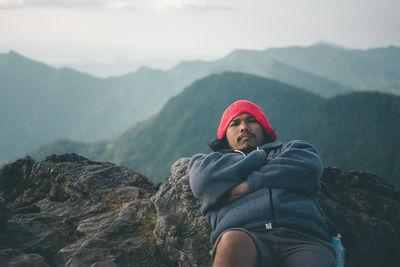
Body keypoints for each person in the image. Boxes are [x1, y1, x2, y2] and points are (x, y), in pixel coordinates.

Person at [188, 100, 336, 267]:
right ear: (224, 135)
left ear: (264, 128)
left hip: (302, 237)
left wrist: (247, 185)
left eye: (251, 120)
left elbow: (309, 168)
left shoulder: (291, 149)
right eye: (235, 123)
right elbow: (202, 180)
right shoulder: (210, 162)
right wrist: (260, 158)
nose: (244, 127)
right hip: (244, 234)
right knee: (231, 242)